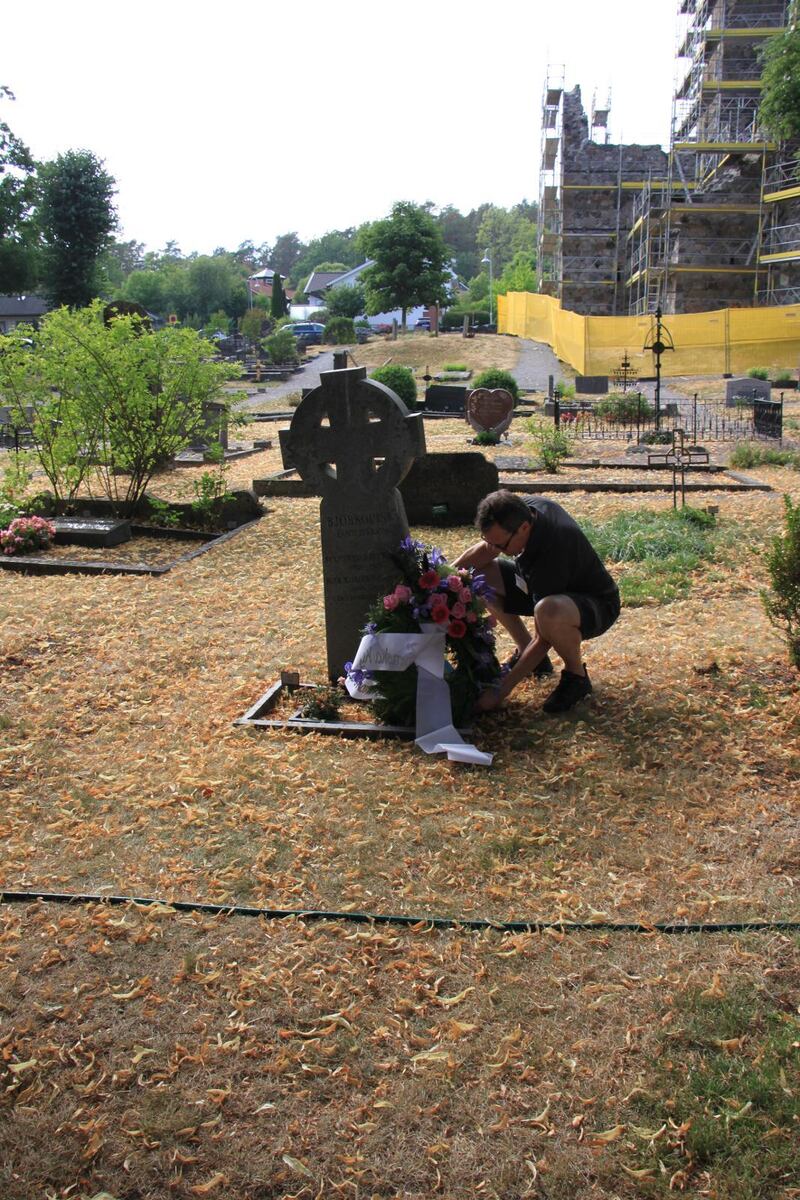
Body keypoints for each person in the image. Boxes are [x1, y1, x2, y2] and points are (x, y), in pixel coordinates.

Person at [452, 490, 620, 714]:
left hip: (594, 605)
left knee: (548, 612)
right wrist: (445, 580)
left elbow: (543, 638)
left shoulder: (554, 549)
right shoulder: (522, 509)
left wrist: (497, 694)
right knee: (480, 575)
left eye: (501, 546)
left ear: (523, 528)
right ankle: (527, 653)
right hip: (543, 588)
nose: (497, 550)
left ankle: (576, 677)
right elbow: (484, 552)